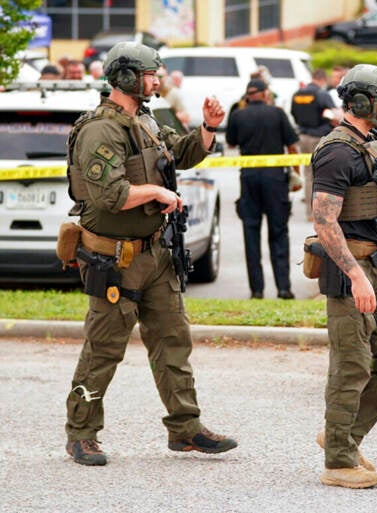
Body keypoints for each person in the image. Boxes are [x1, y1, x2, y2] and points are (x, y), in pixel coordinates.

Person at [63, 41, 237, 466]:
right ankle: (81, 433)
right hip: (114, 261)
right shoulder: (100, 130)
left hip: (157, 255)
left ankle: (185, 430)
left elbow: (177, 153)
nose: (157, 79)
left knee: (173, 342)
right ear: (126, 77)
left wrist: (208, 129)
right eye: (150, 73)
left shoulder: (145, 119)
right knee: (103, 350)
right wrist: (157, 191)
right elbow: (110, 195)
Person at [310, 64, 377, 489]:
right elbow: (324, 221)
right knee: (351, 365)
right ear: (361, 103)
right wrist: (355, 275)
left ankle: (345, 437)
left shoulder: (371, 144)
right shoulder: (337, 151)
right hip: (352, 268)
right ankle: (338, 461)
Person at [226, 78, 300, 300]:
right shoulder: (277, 113)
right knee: (279, 233)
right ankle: (283, 288)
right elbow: (292, 146)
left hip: (249, 178)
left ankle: (256, 290)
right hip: (275, 179)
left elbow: (230, 142)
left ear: (248, 95)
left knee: (251, 233)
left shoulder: (238, 115)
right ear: (266, 93)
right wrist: (295, 175)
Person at [290, 68, 336, 221]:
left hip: (303, 137)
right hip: (319, 138)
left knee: (308, 174)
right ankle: (321, 212)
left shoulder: (297, 94)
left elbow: (294, 114)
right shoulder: (322, 94)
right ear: (322, 79)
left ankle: (310, 213)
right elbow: (333, 115)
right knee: (322, 175)